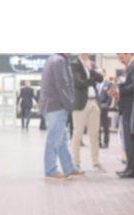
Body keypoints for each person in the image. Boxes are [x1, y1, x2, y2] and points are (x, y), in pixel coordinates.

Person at [40, 53, 85, 181]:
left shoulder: (56, 59)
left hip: (54, 105)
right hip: (57, 105)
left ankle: (69, 168)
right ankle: (50, 170)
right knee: (54, 140)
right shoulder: (59, 61)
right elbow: (63, 85)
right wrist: (68, 104)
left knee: (62, 140)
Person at [71, 53, 106, 172]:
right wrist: (91, 81)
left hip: (94, 102)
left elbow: (100, 79)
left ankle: (95, 162)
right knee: (77, 134)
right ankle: (75, 163)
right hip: (81, 103)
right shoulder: (75, 64)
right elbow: (77, 82)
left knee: (95, 134)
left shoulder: (92, 64)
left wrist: (91, 70)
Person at [109, 53, 134, 178]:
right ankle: (130, 166)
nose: (120, 60)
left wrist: (118, 90)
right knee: (128, 140)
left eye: (122, 57)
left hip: (131, 107)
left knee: (132, 140)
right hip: (126, 108)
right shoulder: (129, 67)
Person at [98, 70, 114, 149]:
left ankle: (106, 141)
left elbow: (110, 96)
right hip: (95, 106)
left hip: (103, 106)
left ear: (104, 73)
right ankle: (98, 141)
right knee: (96, 125)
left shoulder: (109, 83)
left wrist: (107, 104)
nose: (99, 74)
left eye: (100, 72)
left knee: (105, 125)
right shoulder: (95, 83)